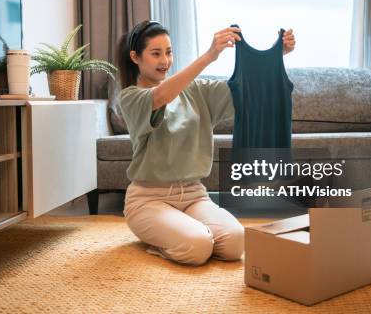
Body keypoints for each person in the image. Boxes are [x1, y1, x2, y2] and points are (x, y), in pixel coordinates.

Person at [116, 21, 296, 265]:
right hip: (149, 199)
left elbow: (245, 90)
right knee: (198, 247)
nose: (165, 61)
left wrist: (277, 56)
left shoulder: (196, 91)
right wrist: (210, 55)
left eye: (169, 52)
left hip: (194, 195)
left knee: (235, 243)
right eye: (156, 53)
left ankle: (183, 230)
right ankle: (162, 241)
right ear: (135, 57)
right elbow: (163, 95)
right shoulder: (131, 97)